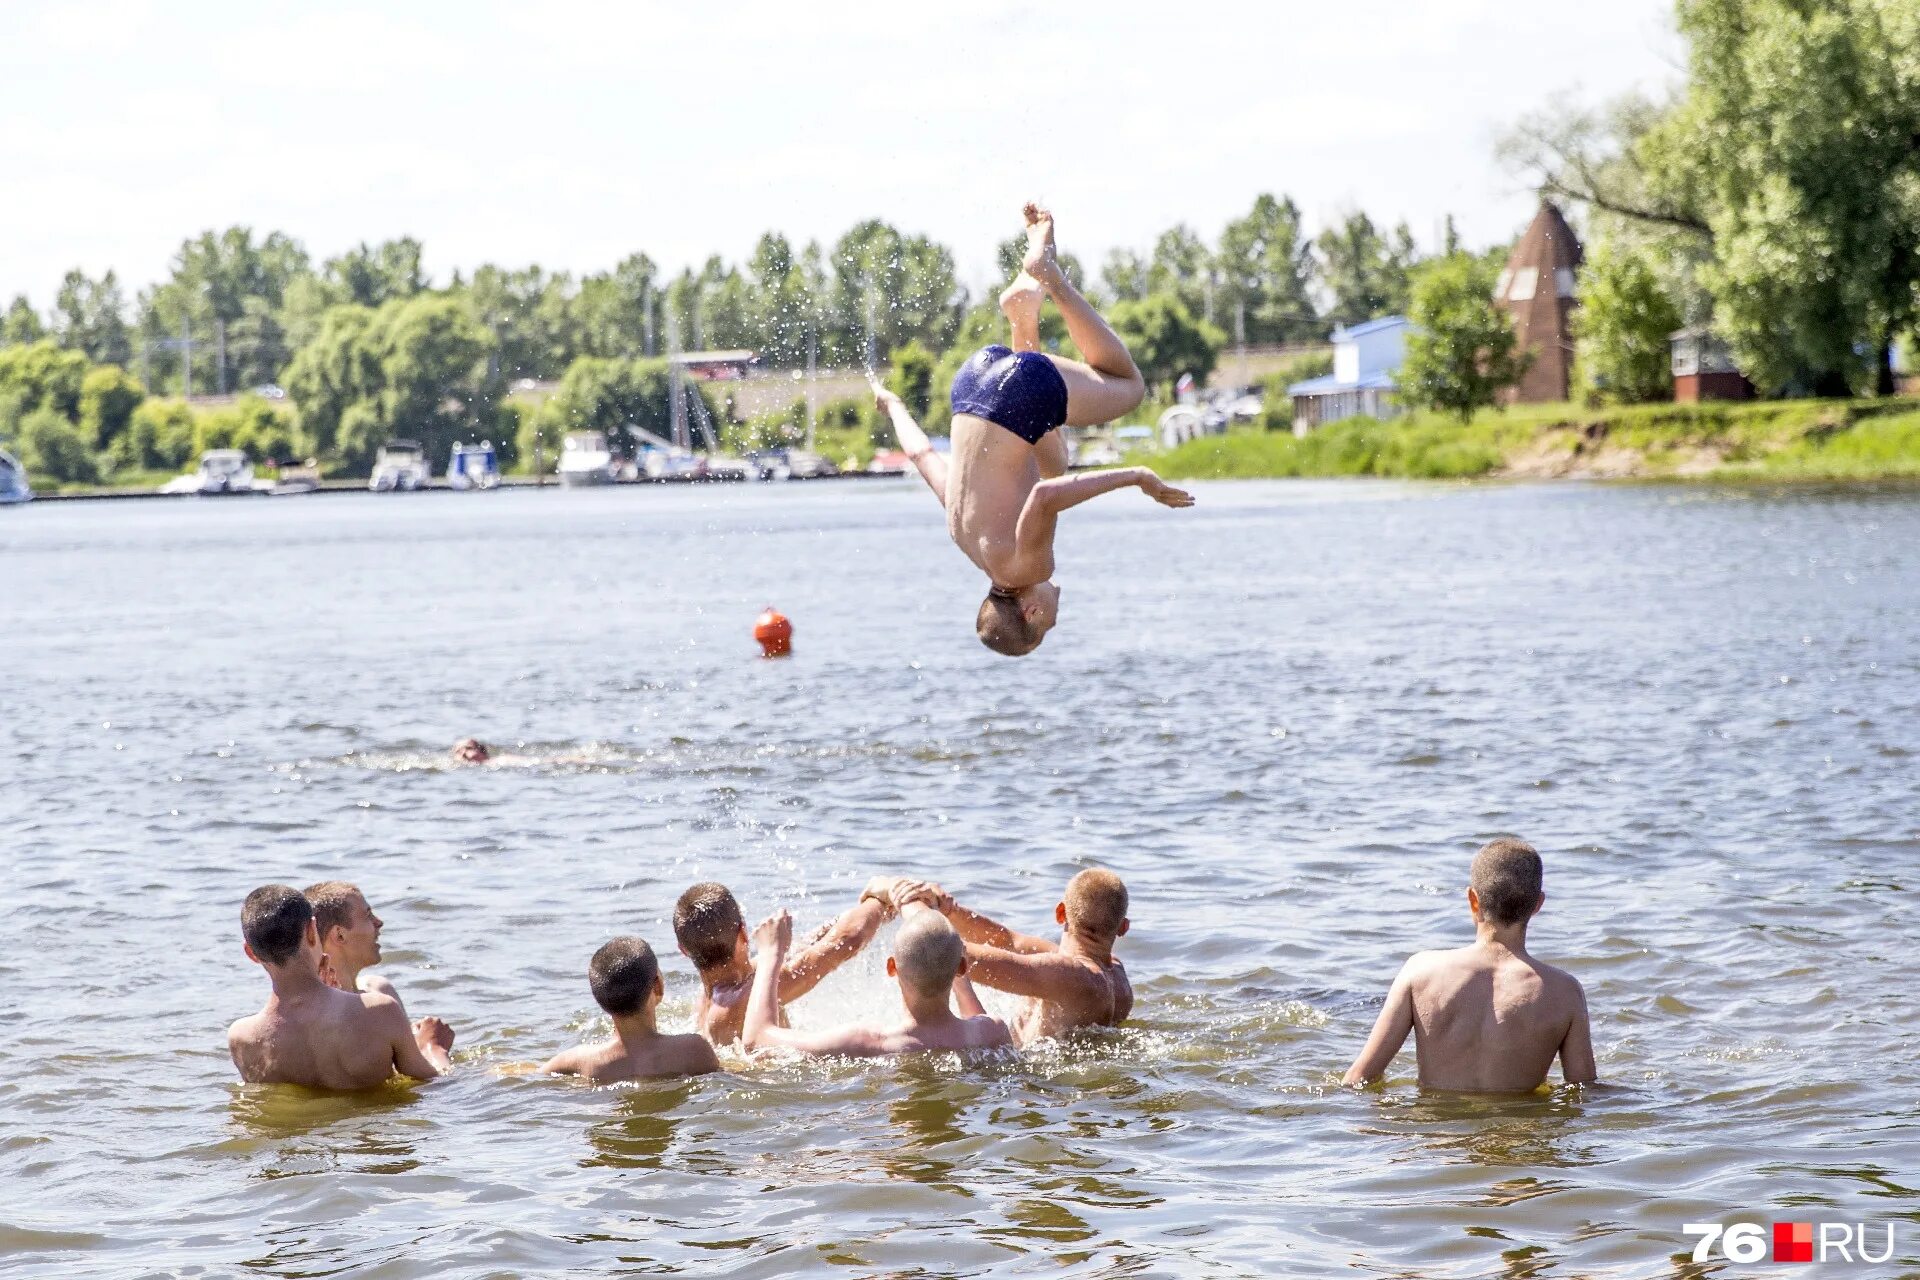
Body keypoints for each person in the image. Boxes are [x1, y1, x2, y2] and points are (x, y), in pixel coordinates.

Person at [875, 204, 1194, 656]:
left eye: (1049, 628)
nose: (1056, 617)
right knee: (1052, 461)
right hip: (971, 385)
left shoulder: (1029, 567)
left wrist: (1137, 477)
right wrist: (893, 406)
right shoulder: (966, 537)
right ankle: (1022, 314)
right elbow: (923, 456)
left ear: (1032, 614)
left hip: (1013, 398)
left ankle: (1048, 276)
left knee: (1129, 388)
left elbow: (1048, 498)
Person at [1342, 837, 1598, 1092]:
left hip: (1440, 1129)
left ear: (1473, 900)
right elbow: (1583, 1089)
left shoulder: (1420, 971)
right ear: (1538, 904)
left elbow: (1360, 1077)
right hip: (1517, 1131)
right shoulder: (1564, 992)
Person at [226, 884, 453, 1089]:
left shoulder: (243, 1039)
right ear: (311, 931)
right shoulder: (380, 1010)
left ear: (251, 953)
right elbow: (435, 1085)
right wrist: (434, 1048)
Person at [742, 902, 1010, 1058]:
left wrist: (770, 954)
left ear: (892, 967)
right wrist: (951, 966)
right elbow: (977, 1022)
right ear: (962, 967)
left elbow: (756, 1041)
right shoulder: (991, 1033)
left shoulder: (867, 1043)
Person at [906, 868, 1133, 1046]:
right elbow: (1010, 941)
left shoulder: (1065, 974)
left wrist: (909, 902)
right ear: (1123, 927)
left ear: (1060, 913)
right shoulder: (1117, 978)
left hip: (1036, 1087)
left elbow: (947, 951)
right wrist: (948, 910)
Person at [671, 878, 903, 1047]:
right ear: (743, 931)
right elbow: (845, 942)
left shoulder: (709, 997)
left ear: (683, 950)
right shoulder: (748, 997)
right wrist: (879, 898)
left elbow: (807, 947)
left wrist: (869, 911)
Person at [542, 937, 721, 1083]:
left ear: (599, 999)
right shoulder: (693, 1050)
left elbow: (537, 1073)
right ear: (657, 985)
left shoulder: (580, 1061)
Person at [305, 881, 404, 1012]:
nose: (379, 922)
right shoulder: (316, 1011)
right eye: (368, 915)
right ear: (340, 935)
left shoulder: (381, 989)